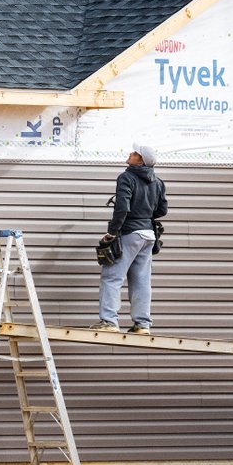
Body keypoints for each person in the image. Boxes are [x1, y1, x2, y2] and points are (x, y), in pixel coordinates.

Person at [89, 143, 167, 334]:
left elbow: (122, 208)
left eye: (134, 153)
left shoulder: (127, 177)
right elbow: (162, 210)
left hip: (130, 233)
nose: (130, 153)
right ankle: (142, 324)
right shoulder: (158, 182)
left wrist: (113, 232)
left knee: (112, 277)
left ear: (140, 160)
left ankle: (109, 322)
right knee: (141, 281)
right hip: (148, 235)